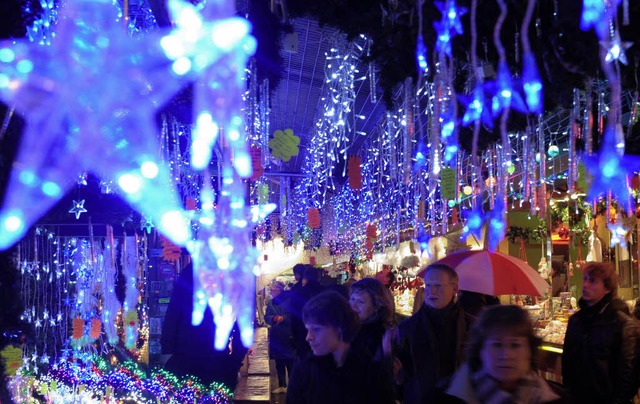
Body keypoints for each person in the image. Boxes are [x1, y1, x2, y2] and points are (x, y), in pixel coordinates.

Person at [444, 305, 569, 403]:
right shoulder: (447, 398)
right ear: (481, 350)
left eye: (515, 345)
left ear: (530, 351)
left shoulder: (556, 400)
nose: (506, 355)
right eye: (497, 344)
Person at [286, 291, 395, 404]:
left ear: (340, 327)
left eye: (316, 329)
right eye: (308, 329)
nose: (308, 337)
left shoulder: (372, 372)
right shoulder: (304, 371)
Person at [392, 263, 474, 403]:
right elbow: (398, 375)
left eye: (438, 286)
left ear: (454, 288)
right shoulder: (406, 328)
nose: (432, 291)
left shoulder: (472, 326)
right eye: (428, 286)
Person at [161, 262, 248, 391]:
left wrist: (168, 353)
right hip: (206, 360)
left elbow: (173, 313)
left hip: (196, 358)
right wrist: (234, 361)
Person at [562, 262, 640, 404]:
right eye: (585, 279)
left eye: (592, 281)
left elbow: (628, 374)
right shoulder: (575, 321)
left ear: (607, 288)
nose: (585, 285)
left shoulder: (623, 325)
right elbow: (568, 364)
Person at [349, 277, 395, 358]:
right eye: (352, 299)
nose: (353, 305)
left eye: (360, 301)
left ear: (376, 307)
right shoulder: (351, 327)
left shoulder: (377, 337)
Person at [265, 281, 296, 394]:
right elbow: (267, 316)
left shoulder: (289, 300)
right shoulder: (271, 303)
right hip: (276, 336)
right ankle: (282, 385)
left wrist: (284, 318)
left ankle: (292, 386)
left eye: (272, 290)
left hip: (288, 335)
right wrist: (273, 318)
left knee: (290, 362)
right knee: (279, 362)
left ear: (278, 290)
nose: (271, 292)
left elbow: (293, 314)